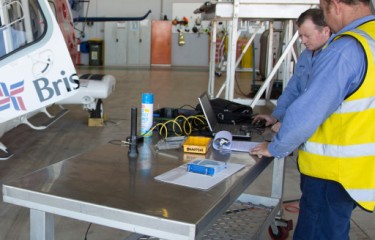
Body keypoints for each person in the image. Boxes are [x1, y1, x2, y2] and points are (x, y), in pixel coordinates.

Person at [250, 0, 375, 239]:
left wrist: (277, 146)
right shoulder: (370, 39)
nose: (326, 20)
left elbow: (309, 109)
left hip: (331, 170)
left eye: (325, 10)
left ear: (336, 5)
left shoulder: (345, 49)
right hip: (359, 169)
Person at [252, 8, 331, 133]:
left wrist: (290, 124)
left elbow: (317, 102)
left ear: (326, 31)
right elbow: (293, 90)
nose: (303, 41)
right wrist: (276, 117)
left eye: (307, 36)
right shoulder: (306, 55)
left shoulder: (333, 58)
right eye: (300, 36)